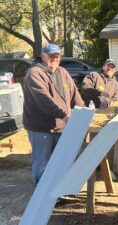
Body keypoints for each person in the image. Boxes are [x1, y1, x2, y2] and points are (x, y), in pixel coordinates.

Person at [23, 44, 85, 186]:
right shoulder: (35, 73)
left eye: (57, 56)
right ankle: (42, 195)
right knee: (42, 162)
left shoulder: (62, 72)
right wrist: (64, 116)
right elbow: (44, 100)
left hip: (61, 126)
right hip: (40, 128)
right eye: (51, 55)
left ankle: (58, 192)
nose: (54, 58)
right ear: (43, 55)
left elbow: (74, 94)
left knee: (60, 161)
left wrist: (82, 112)